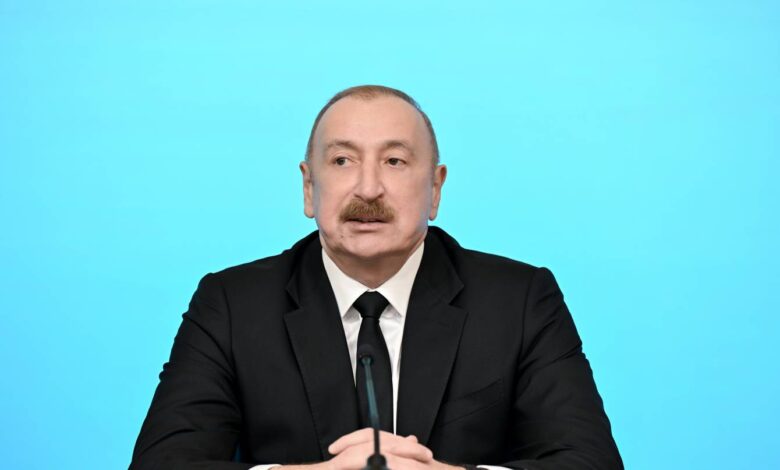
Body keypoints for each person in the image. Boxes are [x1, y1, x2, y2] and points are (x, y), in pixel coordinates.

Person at [130, 85, 623, 470]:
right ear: (309, 187)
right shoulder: (232, 304)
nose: (368, 189)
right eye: (342, 160)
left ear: (435, 189)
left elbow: (590, 463)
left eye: (394, 161)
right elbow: (162, 464)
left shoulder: (519, 300)